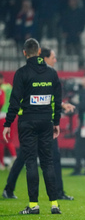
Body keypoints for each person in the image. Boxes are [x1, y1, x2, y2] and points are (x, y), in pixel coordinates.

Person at [2, 48, 75, 200]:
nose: (55, 60)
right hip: (37, 122)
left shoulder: (41, 74)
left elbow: (44, 96)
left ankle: (12, 190)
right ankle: (53, 195)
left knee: (47, 157)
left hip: (38, 122)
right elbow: (34, 96)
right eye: (53, 57)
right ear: (45, 57)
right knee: (41, 158)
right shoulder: (41, 73)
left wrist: (61, 105)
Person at [0, 73, 17, 170]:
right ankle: (12, 158)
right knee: (7, 139)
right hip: (10, 114)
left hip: (2, 114)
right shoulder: (9, 87)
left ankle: (10, 160)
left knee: (2, 139)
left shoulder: (2, 88)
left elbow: (1, 102)